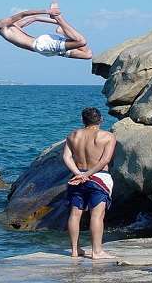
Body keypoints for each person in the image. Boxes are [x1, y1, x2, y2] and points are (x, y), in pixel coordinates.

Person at [62, 107, 116, 259]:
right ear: (101, 119)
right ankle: (96, 251)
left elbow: (67, 157)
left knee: (74, 214)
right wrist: (87, 174)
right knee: (96, 216)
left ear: (83, 120)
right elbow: (105, 160)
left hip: (77, 178)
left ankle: (74, 250)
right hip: (99, 178)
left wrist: (79, 174)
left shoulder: (72, 136)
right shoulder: (108, 136)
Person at [0, 0, 93, 59]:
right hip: (43, 49)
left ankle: (60, 20)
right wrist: (54, 21)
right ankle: (61, 29)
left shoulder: (1, 24)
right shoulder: (6, 29)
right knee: (87, 55)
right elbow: (34, 19)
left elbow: (24, 14)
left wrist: (48, 12)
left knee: (81, 42)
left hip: (42, 45)